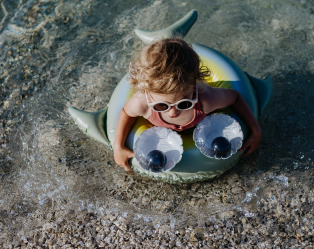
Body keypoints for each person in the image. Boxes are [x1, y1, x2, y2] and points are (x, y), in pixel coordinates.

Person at [112, 38, 262, 172]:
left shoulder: (206, 99)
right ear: (146, 92)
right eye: (161, 106)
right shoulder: (142, 102)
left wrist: (255, 130)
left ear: (195, 86)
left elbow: (235, 98)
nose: (172, 112)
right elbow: (126, 113)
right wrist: (118, 146)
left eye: (184, 103)